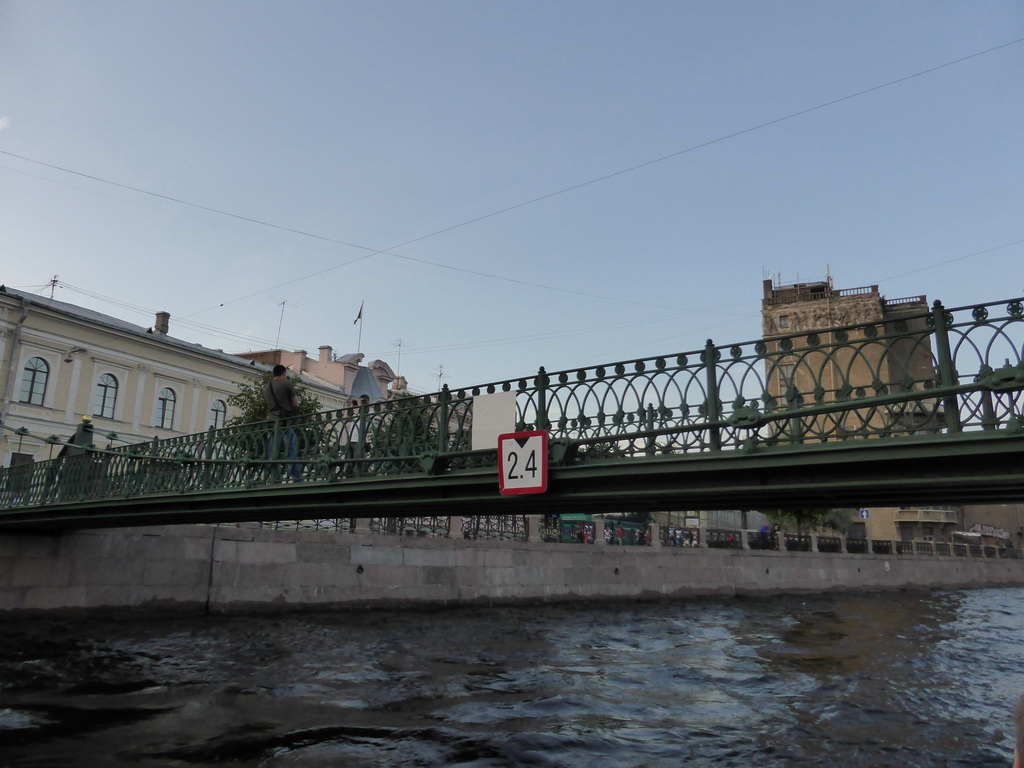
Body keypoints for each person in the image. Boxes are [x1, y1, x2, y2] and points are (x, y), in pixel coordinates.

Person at [264, 365, 301, 480]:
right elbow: (295, 403)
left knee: (272, 448)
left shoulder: (267, 387)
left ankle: (272, 476)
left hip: (270, 420)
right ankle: (296, 476)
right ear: (284, 373)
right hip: (282, 421)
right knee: (291, 447)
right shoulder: (286, 384)